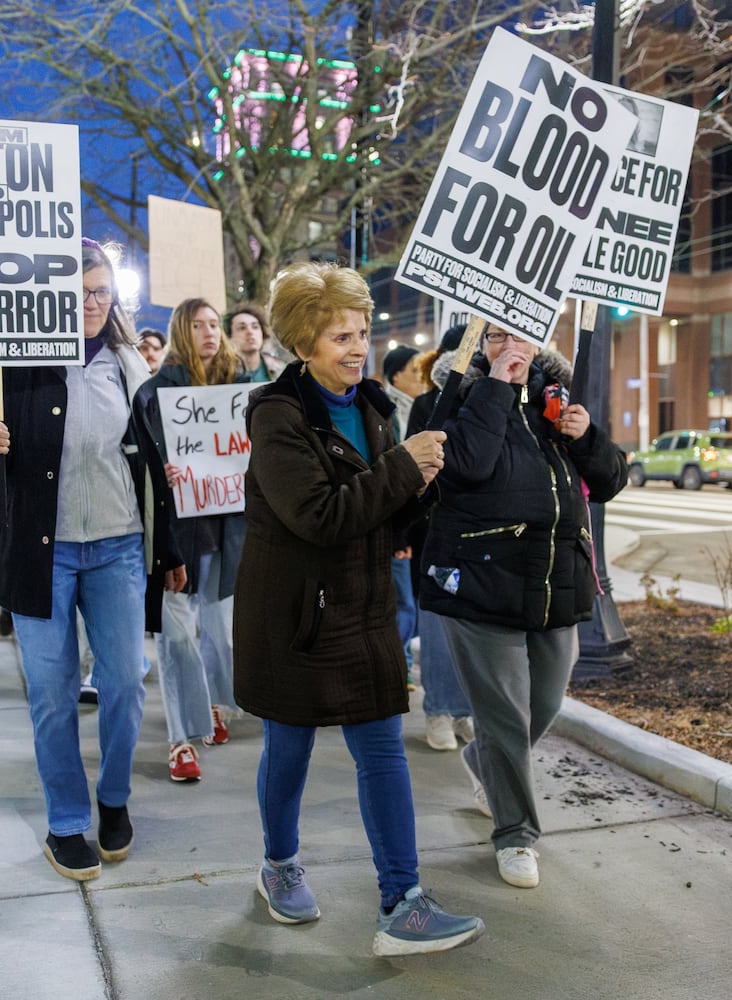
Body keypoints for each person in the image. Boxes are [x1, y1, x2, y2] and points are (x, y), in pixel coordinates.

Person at [233, 260, 485, 957]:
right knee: (289, 748)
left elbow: (384, 516)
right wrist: (403, 468)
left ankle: (402, 900)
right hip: (295, 617)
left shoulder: (375, 406)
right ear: (303, 343)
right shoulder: (277, 415)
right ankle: (279, 866)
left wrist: (423, 487)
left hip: (364, 606)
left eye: (362, 332)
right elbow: (319, 515)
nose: (356, 348)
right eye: (340, 335)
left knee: (382, 751)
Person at [0, 238, 185, 882]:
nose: (91, 303)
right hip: (44, 555)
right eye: (79, 291)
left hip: (117, 546)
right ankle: (67, 821)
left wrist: (167, 544)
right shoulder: (14, 365)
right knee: (53, 694)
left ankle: (112, 797)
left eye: (101, 291)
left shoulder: (127, 365)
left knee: (123, 680)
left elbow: (153, 469)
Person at [420, 327, 628, 890]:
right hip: (481, 582)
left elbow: (608, 481)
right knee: (505, 717)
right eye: (495, 335)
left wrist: (586, 438)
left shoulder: (554, 397)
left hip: (555, 583)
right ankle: (516, 835)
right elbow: (463, 467)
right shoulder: (447, 396)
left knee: (545, 703)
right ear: (475, 343)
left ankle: (484, 764)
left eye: (522, 333)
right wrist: (493, 386)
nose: (511, 343)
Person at [134, 298, 247, 782]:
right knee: (177, 637)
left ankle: (217, 705)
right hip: (175, 529)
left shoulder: (240, 388)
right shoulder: (154, 392)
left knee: (220, 631)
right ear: (182, 331)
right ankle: (180, 739)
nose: (208, 332)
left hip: (226, 525)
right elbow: (136, 457)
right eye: (197, 324)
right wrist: (161, 470)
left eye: (214, 324)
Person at [406, 326, 475, 752]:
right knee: (436, 626)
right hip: (437, 531)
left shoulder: (493, 398)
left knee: (472, 629)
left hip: (482, 536)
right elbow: (414, 472)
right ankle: (439, 711)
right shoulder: (427, 403)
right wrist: (407, 535)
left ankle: (465, 709)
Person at [382, 344, 424, 689]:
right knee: (404, 603)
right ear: (395, 376)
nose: (419, 377)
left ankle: (402, 665)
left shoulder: (417, 407)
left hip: (410, 525)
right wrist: (400, 535)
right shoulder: (389, 412)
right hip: (398, 526)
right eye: (413, 371)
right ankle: (396, 668)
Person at [225, 303, 285, 382]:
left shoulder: (280, 369)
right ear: (229, 337)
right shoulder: (223, 373)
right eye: (242, 328)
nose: (250, 332)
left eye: (255, 327)